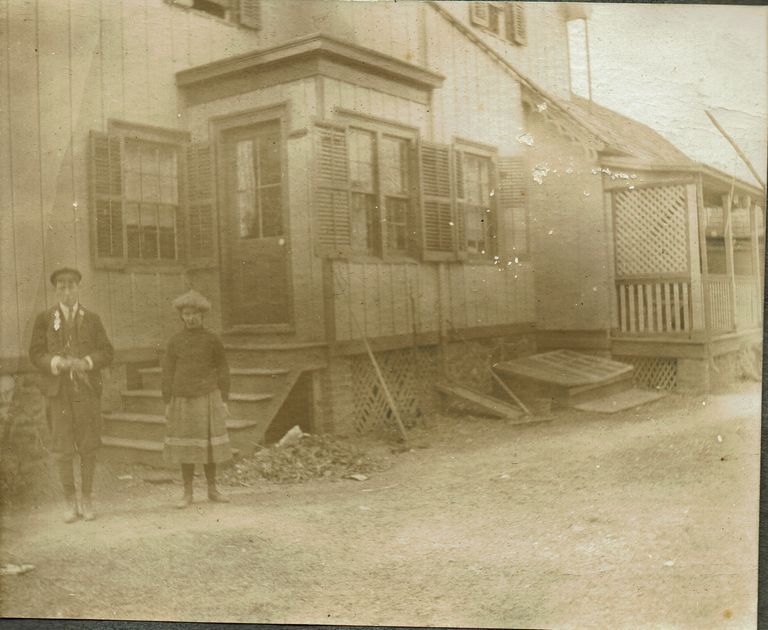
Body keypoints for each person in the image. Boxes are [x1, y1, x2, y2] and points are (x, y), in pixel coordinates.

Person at [29, 267, 114, 523]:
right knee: (63, 447)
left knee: (88, 446)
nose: (67, 292)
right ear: (56, 290)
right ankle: (69, 501)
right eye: (61, 287)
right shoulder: (45, 318)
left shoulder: (92, 319)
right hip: (58, 393)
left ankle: (86, 499)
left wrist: (86, 362)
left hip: (86, 392)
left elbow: (107, 352)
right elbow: (35, 353)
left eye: (71, 286)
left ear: (78, 288)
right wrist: (56, 362)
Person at [162, 289, 232, 508]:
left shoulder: (212, 340)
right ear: (181, 316)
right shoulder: (175, 341)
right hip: (183, 398)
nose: (190, 318)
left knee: (209, 447)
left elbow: (223, 369)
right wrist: (167, 401)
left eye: (194, 314)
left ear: (202, 315)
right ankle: (187, 492)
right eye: (186, 314)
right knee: (187, 448)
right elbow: (168, 372)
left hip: (207, 396)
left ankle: (212, 489)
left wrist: (224, 398)